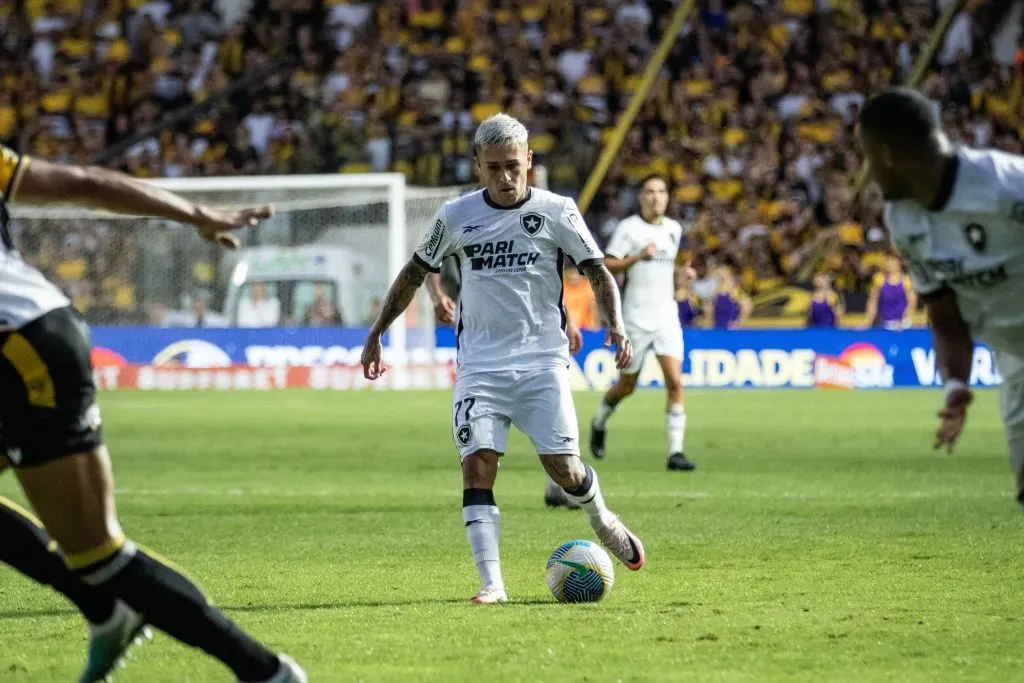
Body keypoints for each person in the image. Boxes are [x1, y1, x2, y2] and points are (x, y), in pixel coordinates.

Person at [0, 143, 306, 682]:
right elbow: (83, 183)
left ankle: (268, 673)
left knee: (99, 552)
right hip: (37, 330)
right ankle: (103, 609)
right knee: (93, 555)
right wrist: (194, 214)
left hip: (26, 356)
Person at [360, 114, 645, 604]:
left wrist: (615, 324)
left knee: (564, 469)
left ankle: (601, 517)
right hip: (479, 368)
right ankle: (492, 583)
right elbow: (413, 273)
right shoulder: (455, 216)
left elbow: (597, 272)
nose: (506, 177)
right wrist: (377, 333)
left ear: (529, 160)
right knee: (477, 465)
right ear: (478, 168)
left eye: (514, 165)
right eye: (494, 168)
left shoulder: (558, 211)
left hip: (542, 362)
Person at [857, 86, 1024, 507]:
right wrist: (955, 385)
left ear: (888, 154)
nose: (868, 169)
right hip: (1017, 360)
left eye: (869, 155)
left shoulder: (1006, 185)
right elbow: (945, 315)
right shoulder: (904, 219)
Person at [589, 174, 695, 471]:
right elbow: (607, 263)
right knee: (627, 385)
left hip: (666, 317)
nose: (656, 197)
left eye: (661, 191)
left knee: (675, 382)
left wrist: (683, 279)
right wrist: (637, 257)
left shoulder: (674, 229)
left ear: (667, 197)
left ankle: (676, 453)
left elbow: (669, 273)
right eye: (650, 191)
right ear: (641, 197)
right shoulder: (629, 228)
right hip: (635, 318)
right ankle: (599, 422)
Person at [863, 254, 917, 329]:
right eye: (887, 260)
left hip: (902, 324)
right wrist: (868, 321)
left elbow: (912, 303)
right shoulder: (879, 279)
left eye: (892, 260)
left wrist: (904, 321)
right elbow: (872, 302)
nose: (889, 263)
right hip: (883, 323)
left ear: (899, 263)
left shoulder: (906, 280)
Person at [711, 265, 752, 329]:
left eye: (722, 269)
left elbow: (748, 307)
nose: (718, 272)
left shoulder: (734, 290)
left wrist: (740, 323)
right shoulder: (717, 290)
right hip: (717, 330)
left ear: (728, 271)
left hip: (730, 332)